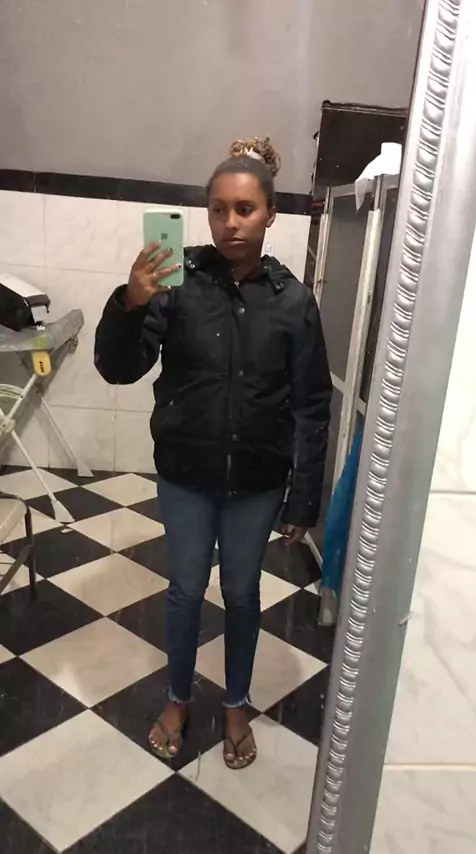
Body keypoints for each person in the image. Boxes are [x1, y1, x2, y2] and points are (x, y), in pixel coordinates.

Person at [94, 136, 332, 769]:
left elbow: (311, 405)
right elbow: (119, 368)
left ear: (270, 214)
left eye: (245, 209)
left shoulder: (293, 301)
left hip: (257, 480)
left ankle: (235, 703)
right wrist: (130, 302)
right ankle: (177, 698)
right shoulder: (177, 285)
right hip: (187, 475)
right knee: (184, 590)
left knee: (244, 594)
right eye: (219, 209)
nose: (231, 223)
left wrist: (303, 499)